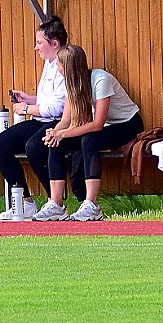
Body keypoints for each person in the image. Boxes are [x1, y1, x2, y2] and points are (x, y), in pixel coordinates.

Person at [0, 15, 85, 219]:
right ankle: (25, 201)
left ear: (54, 43)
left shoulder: (64, 64)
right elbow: (48, 100)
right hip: (40, 120)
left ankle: (56, 202)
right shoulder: (50, 61)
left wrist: (25, 109)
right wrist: (30, 99)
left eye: (39, 43)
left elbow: (58, 107)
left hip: (59, 122)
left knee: (34, 147)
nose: (36, 47)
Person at [36, 44, 143, 221]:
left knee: (89, 140)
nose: (57, 68)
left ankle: (91, 205)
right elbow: (66, 121)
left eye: (59, 65)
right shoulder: (71, 83)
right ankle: (56, 204)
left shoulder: (101, 79)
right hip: (105, 127)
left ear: (69, 67)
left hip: (127, 124)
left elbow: (97, 124)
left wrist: (63, 133)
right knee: (56, 143)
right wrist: (55, 133)